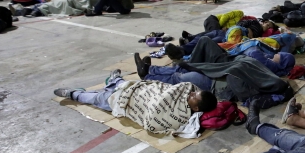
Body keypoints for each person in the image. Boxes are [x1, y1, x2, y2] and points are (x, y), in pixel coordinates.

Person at [54, 70, 217, 134]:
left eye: (194, 95)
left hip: (128, 102)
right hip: (138, 90)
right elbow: (160, 88)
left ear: (195, 107)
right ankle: (115, 80)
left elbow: (153, 120)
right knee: (125, 84)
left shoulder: (179, 115)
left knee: (98, 99)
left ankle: (74, 94)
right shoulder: (185, 90)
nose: (192, 92)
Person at [133, 53, 212, 91]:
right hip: (215, 76)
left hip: (214, 85)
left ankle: (147, 76)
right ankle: (148, 69)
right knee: (183, 68)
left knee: (178, 77)